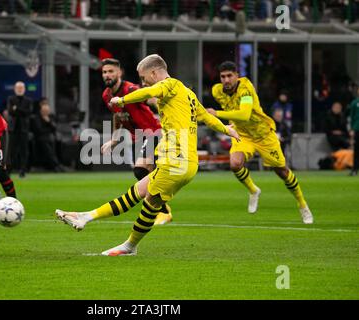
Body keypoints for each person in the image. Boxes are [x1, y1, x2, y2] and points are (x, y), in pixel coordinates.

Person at [55, 54, 239, 256]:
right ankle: (86, 217)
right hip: (186, 162)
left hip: (175, 161)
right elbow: (206, 117)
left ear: (153, 73)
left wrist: (122, 99)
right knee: (137, 191)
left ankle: (129, 246)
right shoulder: (187, 93)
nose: (143, 82)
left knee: (149, 202)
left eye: (144, 77)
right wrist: (227, 130)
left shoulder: (171, 85)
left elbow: (151, 91)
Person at [207, 61, 313, 224]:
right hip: (242, 135)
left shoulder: (246, 89)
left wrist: (217, 113)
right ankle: (253, 190)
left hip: (263, 135)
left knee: (282, 171)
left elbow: (244, 115)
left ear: (237, 75)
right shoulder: (217, 91)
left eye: (230, 76)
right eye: (223, 76)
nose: (226, 80)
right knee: (235, 164)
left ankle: (303, 205)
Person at [100, 57, 171, 225]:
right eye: (104, 72)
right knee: (145, 174)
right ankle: (160, 210)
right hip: (140, 139)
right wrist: (114, 140)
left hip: (155, 133)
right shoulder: (107, 95)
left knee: (141, 169)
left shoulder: (131, 89)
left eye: (111, 71)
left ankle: (163, 210)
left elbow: (153, 100)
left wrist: (169, 117)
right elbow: (117, 116)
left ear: (119, 72)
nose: (107, 75)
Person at [7, 81, 33, 178]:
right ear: (14, 89)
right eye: (18, 88)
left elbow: (29, 112)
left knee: (24, 151)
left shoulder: (28, 100)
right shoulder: (11, 99)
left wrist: (17, 109)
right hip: (13, 129)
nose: (19, 89)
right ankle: (9, 170)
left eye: (21, 88)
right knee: (11, 150)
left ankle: (22, 171)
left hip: (24, 129)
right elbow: (10, 111)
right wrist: (21, 110)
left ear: (24, 89)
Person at [31, 102, 60, 171]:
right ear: (41, 111)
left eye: (47, 111)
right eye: (44, 111)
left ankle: (57, 164)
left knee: (56, 141)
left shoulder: (50, 117)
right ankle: (56, 165)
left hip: (49, 138)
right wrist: (49, 129)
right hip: (39, 138)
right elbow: (39, 130)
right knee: (45, 143)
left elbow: (54, 128)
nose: (46, 113)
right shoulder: (36, 118)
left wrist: (48, 121)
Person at [348, 86, 359, 176]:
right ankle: (355, 169)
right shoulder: (354, 103)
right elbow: (351, 117)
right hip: (357, 129)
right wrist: (351, 129)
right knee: (356, 150)